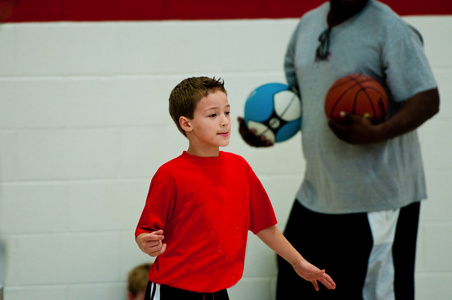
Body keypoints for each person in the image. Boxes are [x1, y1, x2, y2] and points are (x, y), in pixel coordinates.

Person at [238, 0, 440, 299]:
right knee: (294, 285)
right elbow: (301, 99)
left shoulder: (390, 28)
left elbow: (427, 99)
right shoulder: (308, 24)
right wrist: (269, 129)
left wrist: (376, 133)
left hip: (377, 199)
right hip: (317, 193)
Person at [135, 76, 336, 300]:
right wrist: (145, 243)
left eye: (227, 112)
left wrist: (298, 262)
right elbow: (145, 231)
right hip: (173, 290)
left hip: (219, 292)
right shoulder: (169, 175)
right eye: (213, 115)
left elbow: (264, 226)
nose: (224, 121)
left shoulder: (239, 168)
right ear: (186, 123)